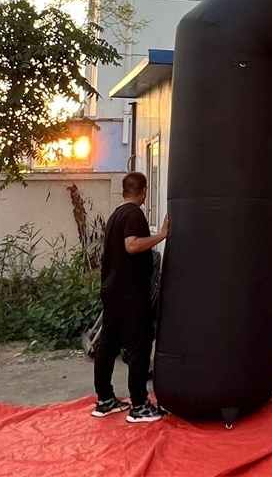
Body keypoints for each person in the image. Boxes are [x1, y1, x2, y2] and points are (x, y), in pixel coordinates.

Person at [92, 172, 169, 422]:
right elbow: (132, 245)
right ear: (143, 191)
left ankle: (104, 400)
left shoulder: (116, 215)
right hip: (130, 294)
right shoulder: (134, 214)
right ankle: (139, 405)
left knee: (108, 345)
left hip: (113, 291)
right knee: (139, 346)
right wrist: (162, 235)